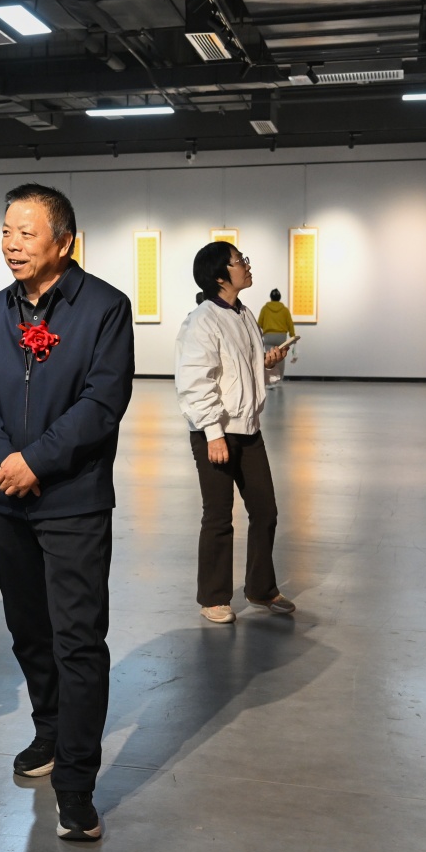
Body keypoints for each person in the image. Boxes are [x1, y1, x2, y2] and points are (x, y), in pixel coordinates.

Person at [0, 182, 133, 842]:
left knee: (78, 641)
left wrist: (37, 461)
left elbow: (102, 402)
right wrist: (2, 459)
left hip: (73, 502)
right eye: (6, 231)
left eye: (26, 232)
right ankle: (49, 730)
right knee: (29, 630)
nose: (12, 244)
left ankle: (77, 786)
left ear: (64, 242)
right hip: (6, 499)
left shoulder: (105, 309)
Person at [175, 242, 295, 625]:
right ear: (219, 276)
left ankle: (260, 588)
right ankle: (213, 597)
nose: (246, 265)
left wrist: (268, 364)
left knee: (265, 510)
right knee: (218, 515)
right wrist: (212, 433)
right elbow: (195, 381)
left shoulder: (243, 314)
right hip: (217, 433)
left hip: (248, 429)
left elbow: (241, 370)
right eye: (239, 261)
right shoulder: (202, 320)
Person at [257, 288, 296, 388]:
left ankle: (270, 380)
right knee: (280, 357)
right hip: (281, 336)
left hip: (269, 336)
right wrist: (293, 335)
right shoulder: (284, 310)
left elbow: (259, 323)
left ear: (271, 297)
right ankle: (279, 380)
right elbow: (290, 324)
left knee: (270, 357)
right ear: (279, 298)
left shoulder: (265, 309)